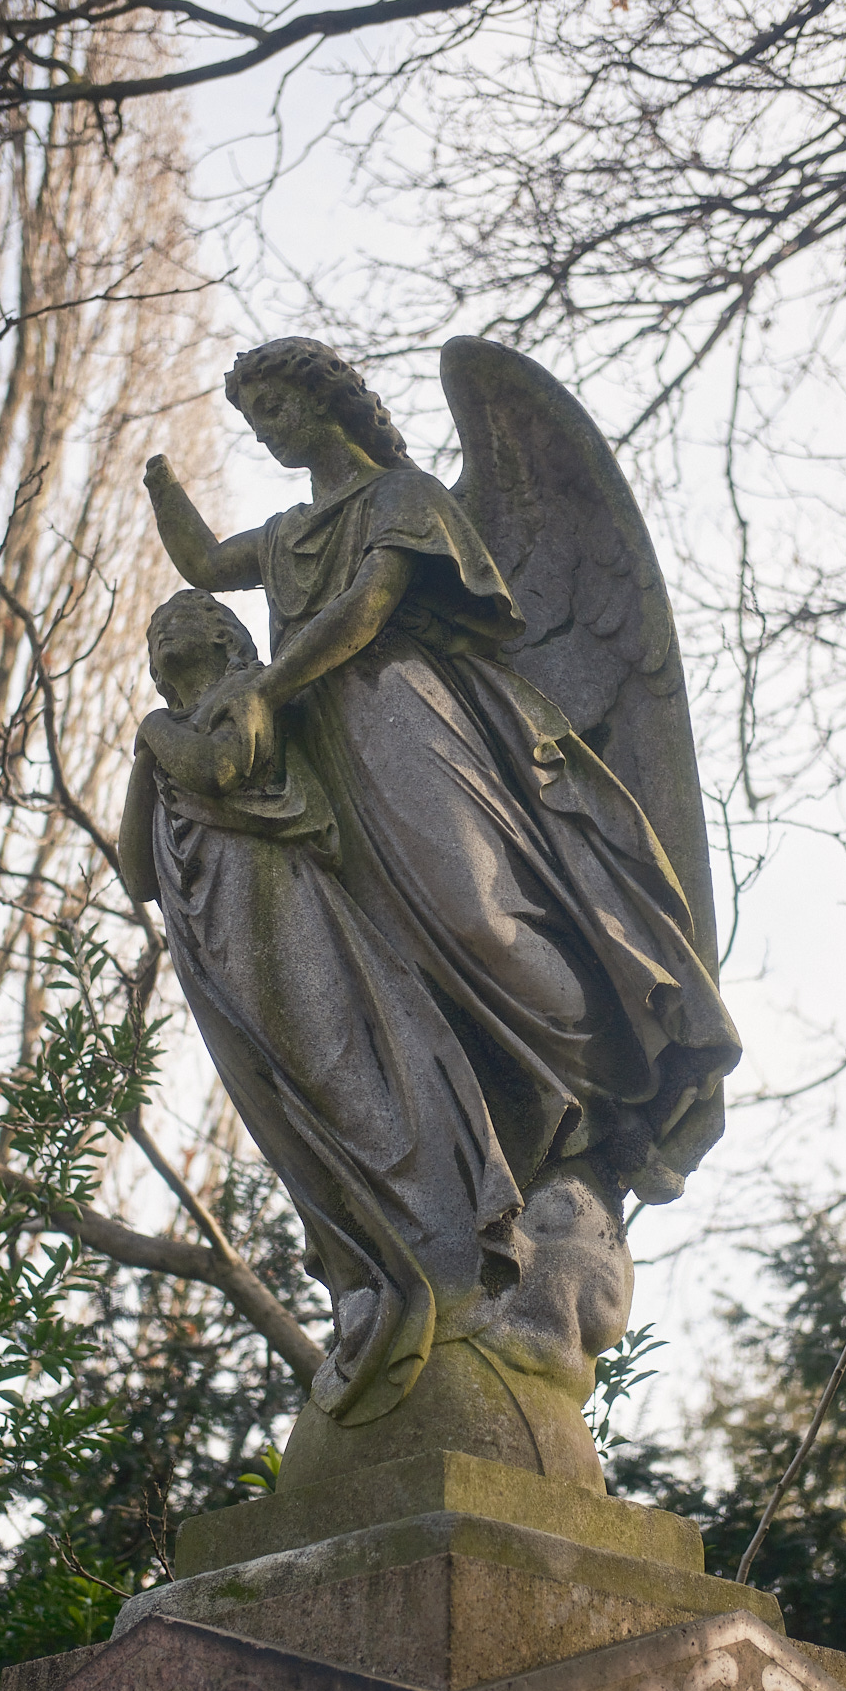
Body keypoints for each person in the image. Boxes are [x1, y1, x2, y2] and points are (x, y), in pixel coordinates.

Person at [135, 340, 741, 1438]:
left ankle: (600, 1089)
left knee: (478, 912)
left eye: (278, 404)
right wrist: (161, 485)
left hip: (411, 717)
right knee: (391, 963)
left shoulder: (402, 498)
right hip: (331, 756)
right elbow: (205, 558)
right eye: (256, 414)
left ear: (330, 404)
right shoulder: (282, 536)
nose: (268, 428)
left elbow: (368, 605)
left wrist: (268, 683)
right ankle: (466, 1179)